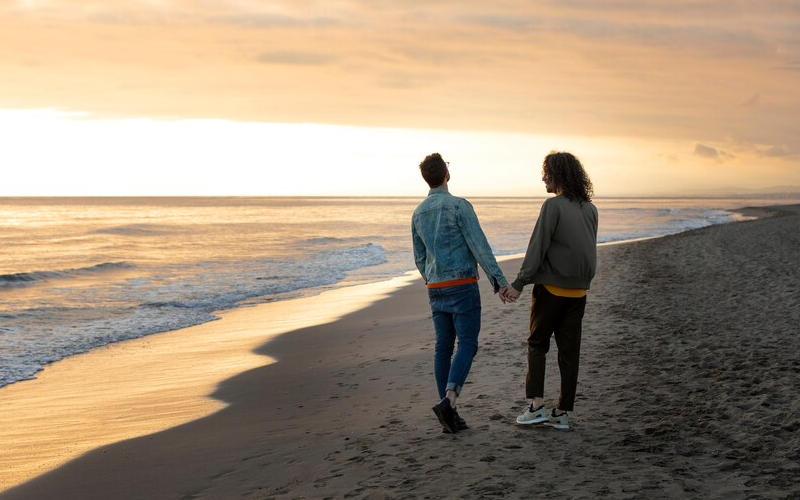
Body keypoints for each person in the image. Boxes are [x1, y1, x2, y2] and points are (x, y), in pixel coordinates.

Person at [412, 152, 511, 434]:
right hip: (462, 285)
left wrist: (432, 278)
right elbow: (479, 246)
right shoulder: (459, 206)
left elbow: (419, 257)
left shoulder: (418, 213)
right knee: (467, 343)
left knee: (443, 346)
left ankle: (449, 414)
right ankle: (450, 400)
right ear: (447, 175)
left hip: (435, 288)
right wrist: (499, 282)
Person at [502, 152, 598, 431]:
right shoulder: (591, 208)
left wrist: (519, 283)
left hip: (552, 292)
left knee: (537, 345)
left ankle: (536, 407)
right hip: (579, 294)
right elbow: (588, 249)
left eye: (546, 172)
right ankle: (562, 413)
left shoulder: (552, 206)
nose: (542, 177)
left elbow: (537, 247)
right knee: (569, 354)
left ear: (557, 175)